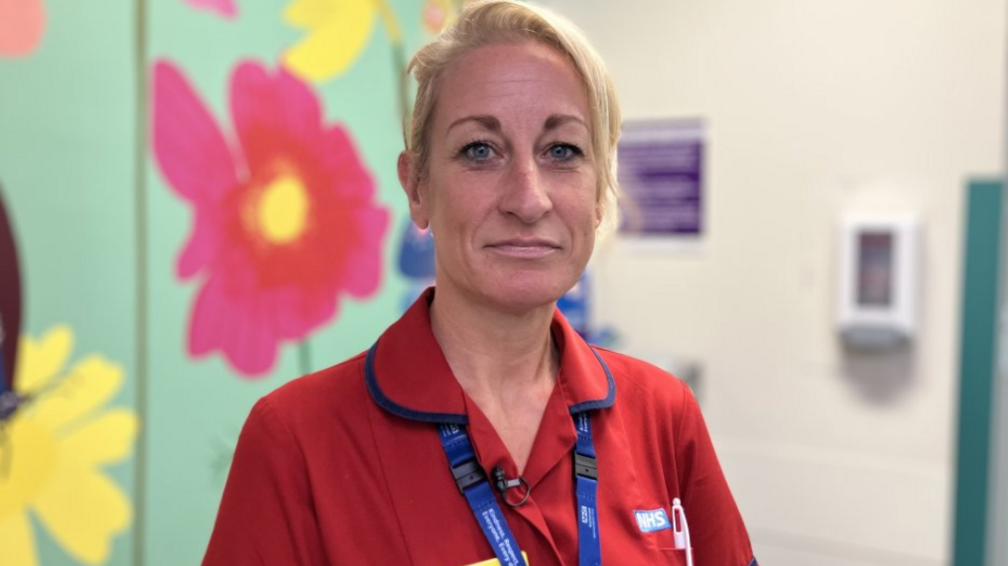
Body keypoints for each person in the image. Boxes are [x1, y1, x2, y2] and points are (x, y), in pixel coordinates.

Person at [202, 1, 758, 564]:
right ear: (418, 189)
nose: (528, 198)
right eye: (480, 150)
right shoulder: (298, 440)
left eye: (562, 151)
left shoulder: (663, 415)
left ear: (597, 194)